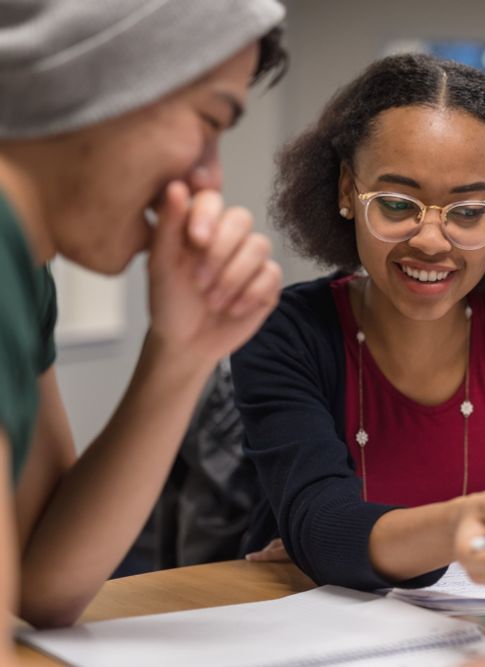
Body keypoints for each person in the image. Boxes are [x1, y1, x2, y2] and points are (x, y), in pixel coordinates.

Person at [231, 53, 485, 603]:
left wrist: (368, 537)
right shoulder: (285, 332)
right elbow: (321, 527)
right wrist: (451, 532)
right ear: (348, 190)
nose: (432, 241)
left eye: (467, 211)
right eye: (397, 204)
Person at [0, 0, 288, 654]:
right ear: (95, 74)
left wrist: (183, 352)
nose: (209, 178)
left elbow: (45, 583)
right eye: (210, 122)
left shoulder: (25, 271)